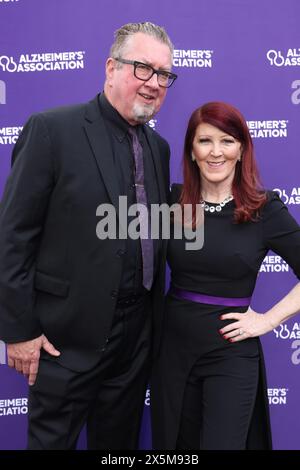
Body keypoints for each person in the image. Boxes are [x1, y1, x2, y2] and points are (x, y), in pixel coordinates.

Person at [0, 22, 177, 450]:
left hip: (134, 345)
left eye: (164, 74)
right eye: (143, 68)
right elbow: (13, 237)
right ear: (111, 68)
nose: (154, 83)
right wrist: (19, 332)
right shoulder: (52, 130)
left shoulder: (160, 149)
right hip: (63, 343)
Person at [151, 101, 300, 450]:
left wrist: (268, 320)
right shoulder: (171, 205)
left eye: (227, 141)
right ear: (191, 149)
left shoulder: (265, 209)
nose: (215, 152)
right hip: (171, 353)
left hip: (232, 354)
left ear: (242, 149)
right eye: (205, 141)